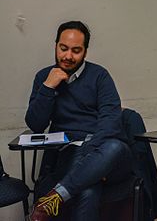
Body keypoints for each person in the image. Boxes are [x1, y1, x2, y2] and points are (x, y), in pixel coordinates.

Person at [25, 21, 132, 221]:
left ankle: (55, 197)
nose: (68, 56)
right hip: (69, 153)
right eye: (63, 48)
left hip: (107, 155)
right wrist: (48, 87)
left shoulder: (99, 76)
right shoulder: (44, 77)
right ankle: (62, 194)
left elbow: (111, 120)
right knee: (88, 190)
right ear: (56, 45)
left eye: (76, 51)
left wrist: (89, 152)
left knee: (114, 147)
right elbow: (36, 125)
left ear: (85, 51)